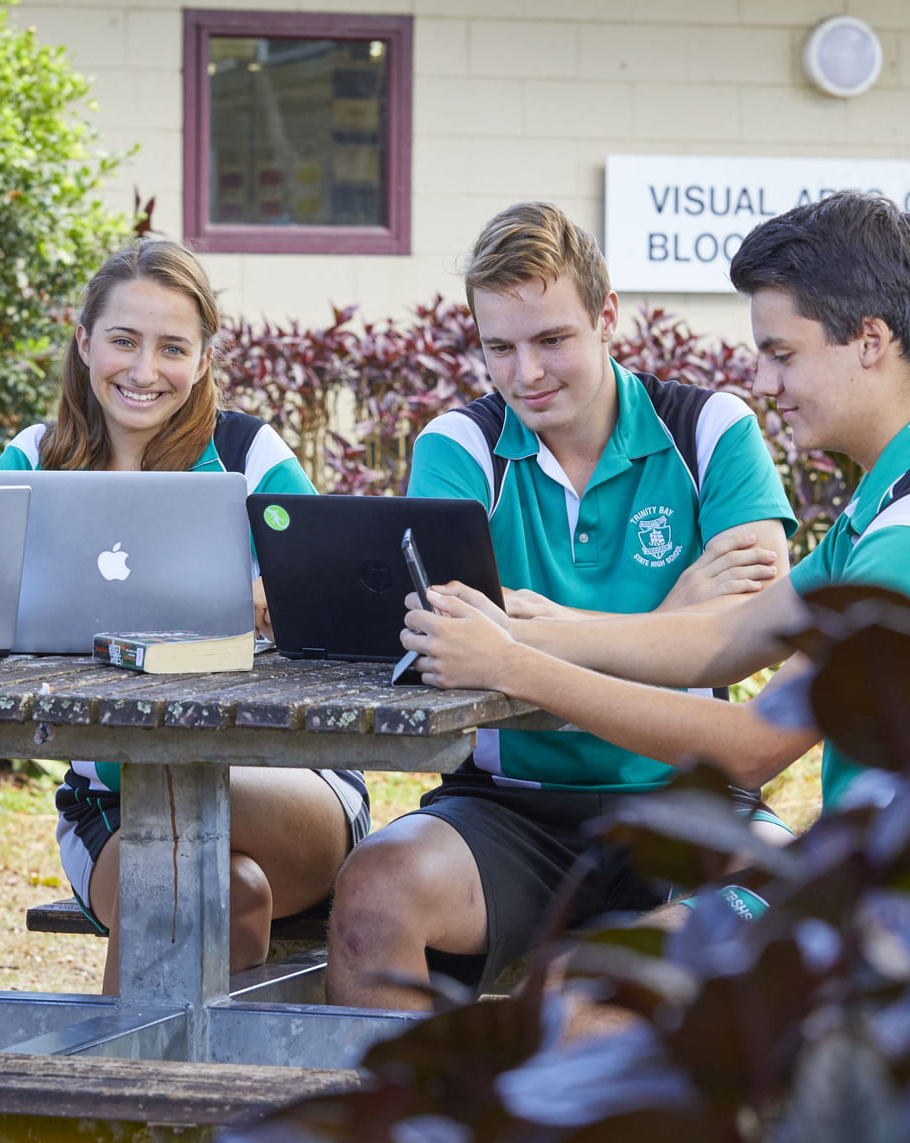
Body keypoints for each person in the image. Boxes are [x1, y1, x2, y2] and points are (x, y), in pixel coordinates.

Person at [400, 192, 910, 853]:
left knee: (602, 962)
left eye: (783, 354)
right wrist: (533, 628)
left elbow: (754, 745)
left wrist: (514, 662)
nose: (765, 383)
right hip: (897, 876)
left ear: (869, 342)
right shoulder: (899, 491)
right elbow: (731, 634)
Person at [0, 236, 371, 1143]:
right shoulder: (32, 461)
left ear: (206, 357)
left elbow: (328, 593)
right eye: (125, 342)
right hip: (110, 799)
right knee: (227, 893)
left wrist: (259, 594)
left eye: (174, 348)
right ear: (84, 341)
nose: (147, 371)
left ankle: (88, 1107)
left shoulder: (247, 453)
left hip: (287, 784)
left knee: (188, 844)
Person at [325, 202, 800, 1011]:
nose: (526, 375)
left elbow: (759, 631)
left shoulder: (711, 429)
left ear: (607, 317)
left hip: (692, 797)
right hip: (511, 808)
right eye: (498, 348)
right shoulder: (459, 447)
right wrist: (676, 618)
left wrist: (531, 637)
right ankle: (408, 1137)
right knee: (374, 893)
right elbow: (453, 634)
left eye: (551, 340)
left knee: (781, 900)